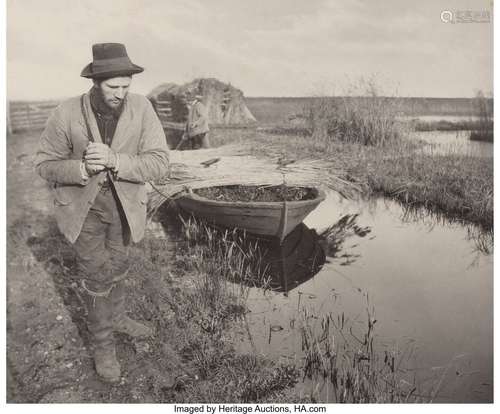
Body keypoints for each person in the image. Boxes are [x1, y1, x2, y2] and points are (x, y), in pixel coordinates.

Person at [35, 43, 169, 383]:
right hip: (84, 208)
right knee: (96, 275)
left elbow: (159, 162)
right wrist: (80, 168)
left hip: (125, 207)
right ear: (96, 82)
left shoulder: (142, 108)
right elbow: (44, 164)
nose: (121, 94)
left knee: (119, 264)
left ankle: (119, 317)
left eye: (126, 86)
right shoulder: (67, 113)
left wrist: (116, 161)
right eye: (113, 87)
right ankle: (103, 346)